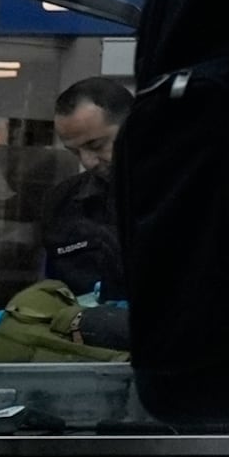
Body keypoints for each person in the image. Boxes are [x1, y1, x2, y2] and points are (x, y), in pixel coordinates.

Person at [36, 73, 131, 296]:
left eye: (96, 145)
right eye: (74, 151)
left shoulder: (182, 191)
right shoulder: (61, 202)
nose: (88, 162)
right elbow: (50, 288)